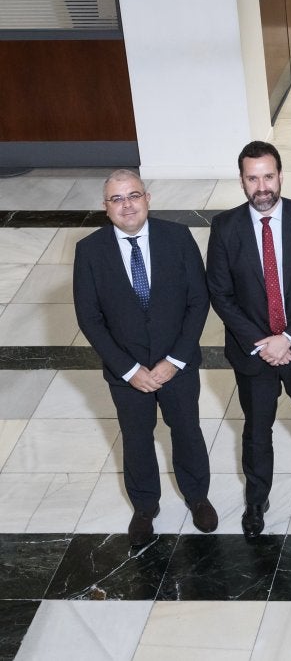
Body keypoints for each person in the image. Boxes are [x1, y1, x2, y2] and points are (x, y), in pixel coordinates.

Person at [207, 141, 291, 537]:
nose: (262, 186)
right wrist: (263, 341)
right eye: (253, 178)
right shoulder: (225, 227)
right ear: (241, 181)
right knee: (256, 430)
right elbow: (221, 294)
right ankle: (256, 499)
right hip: (254, 353)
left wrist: (287, 338)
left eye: (268, 176)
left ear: (281, 176)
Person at [72, 169, 217, 546]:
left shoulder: (178, 237)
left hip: (177, 366)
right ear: (105, 208)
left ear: (147, 198)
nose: (126, 205)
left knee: (186, 430)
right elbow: (89, 318)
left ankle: (198, 496)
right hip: (128, 372)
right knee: (137, 438)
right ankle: (144, 507)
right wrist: (129, 369)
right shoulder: (89, 251)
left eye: (132, 195)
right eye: (116, 199)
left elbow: (198, 301)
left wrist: (176, 360)